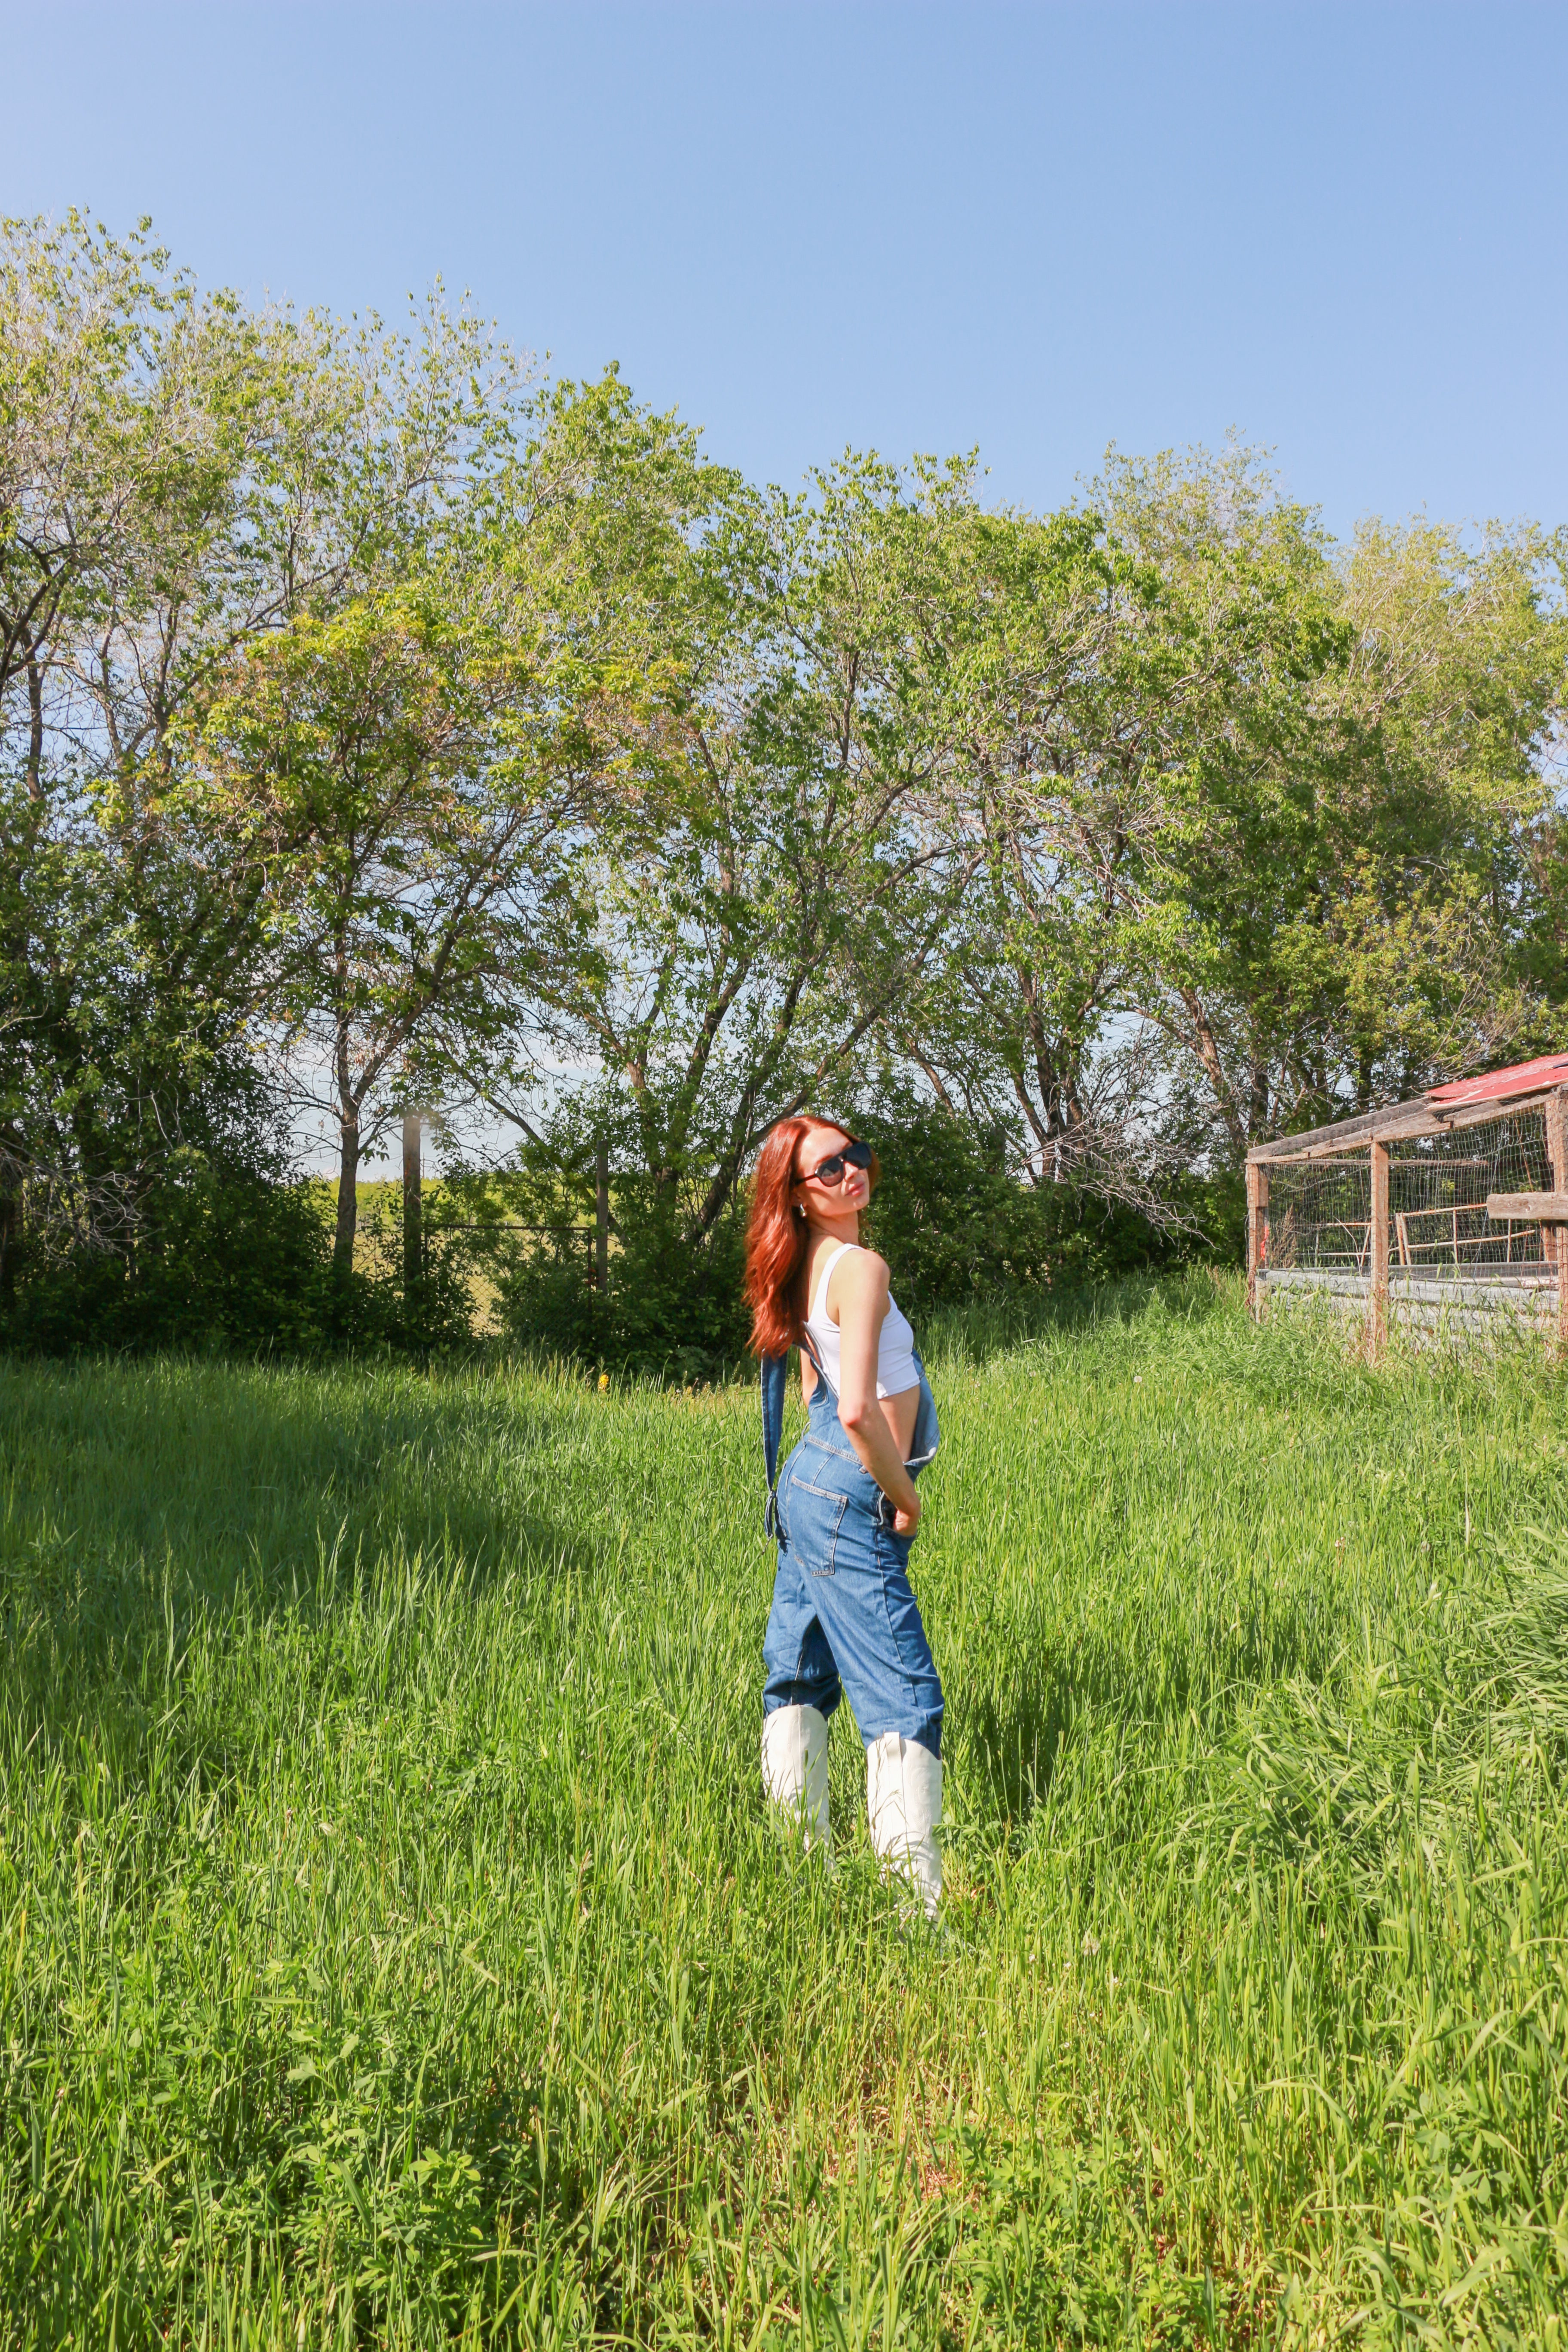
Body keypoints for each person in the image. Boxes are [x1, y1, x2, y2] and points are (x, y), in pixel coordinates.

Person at [745, 1116, 944, 1919]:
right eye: (826, 1170)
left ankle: (800, 1865)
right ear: (795, 1196)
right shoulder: (859, 1266)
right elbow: (859, 1411)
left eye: (854, 1155)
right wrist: (906, 1497)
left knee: (795, 1672)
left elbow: (814, 1387)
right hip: (854, 1483)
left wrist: (831, 1470)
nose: (850, 1174)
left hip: (808, 1476)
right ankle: (914, 1912)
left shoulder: (802, 1265)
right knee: (902, 1692)